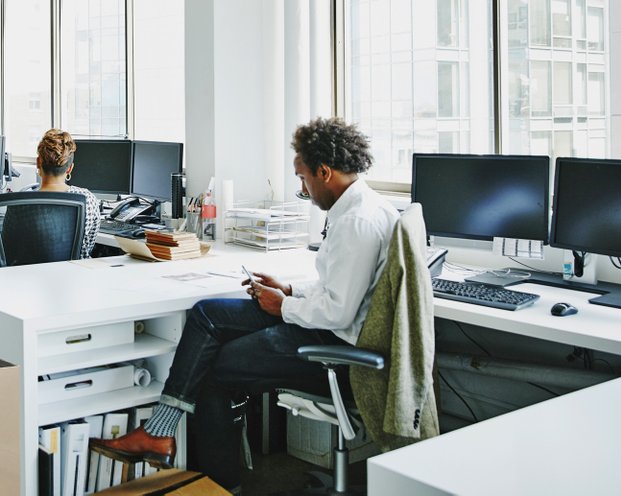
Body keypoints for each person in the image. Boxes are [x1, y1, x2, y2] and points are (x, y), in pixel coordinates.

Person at [90, 117, 398, 492]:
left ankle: (220, 485)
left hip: (335, 345)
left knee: (212, 368)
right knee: (206, 313)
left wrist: (281, 305)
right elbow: (336, 287)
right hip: (320, 322)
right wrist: (289, 289)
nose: (303, 188)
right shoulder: (360, 207)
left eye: (303, 179)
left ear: (325, 171)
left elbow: (339, 312)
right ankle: (159, 433)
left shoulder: (358, 222)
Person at [35, 128, 101, 257]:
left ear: (38, 163)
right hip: (76, 275)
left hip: (29, 276)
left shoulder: (19, 203)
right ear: (70, 168)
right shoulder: (88, 199)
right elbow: (88, 246)